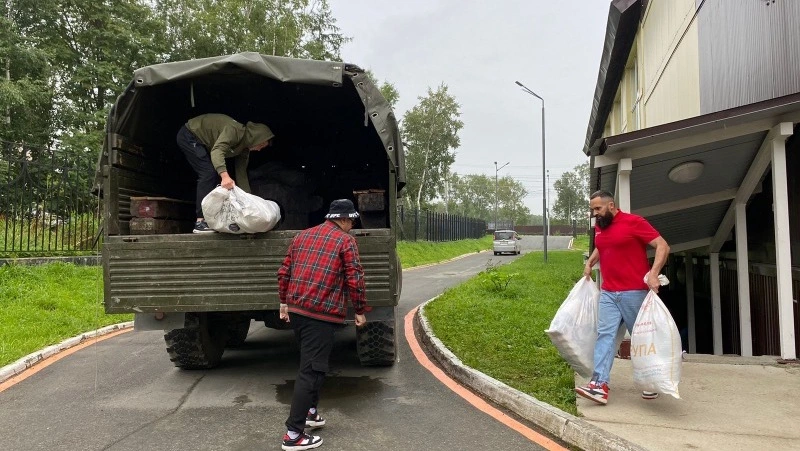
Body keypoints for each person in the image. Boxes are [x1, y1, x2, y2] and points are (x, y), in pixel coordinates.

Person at [277, 199, 367, 451]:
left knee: (315, 365)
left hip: (298, 312)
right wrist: (359, 310)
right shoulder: (345, 240)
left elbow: (284, 272)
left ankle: (310, 412)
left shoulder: (302, 236)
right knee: (311, 370)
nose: (352, 225)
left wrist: (284, 302)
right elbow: (355, 277)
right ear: (345, 219)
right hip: (321, 314)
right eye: (352, 221)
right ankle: (293, 435)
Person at [575, 190, 670, 405]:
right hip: (609, 292)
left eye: (597, 208)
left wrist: (653, 273)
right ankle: (599, 385)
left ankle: (650, 382)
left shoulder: (634, 222)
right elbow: (602, 246)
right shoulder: (601, 225)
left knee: (642, 339)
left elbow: (662, 245)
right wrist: (590, 262)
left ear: (611, 206)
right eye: (592, 209)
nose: (594, 213)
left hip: (634, 292)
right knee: (605, 336)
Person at [175, 113, 274, 233]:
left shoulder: (244, 150)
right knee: (208, 173)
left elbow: (241, 174)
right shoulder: (235, 131)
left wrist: (249, 200)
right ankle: (201, 222)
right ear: (255, 137)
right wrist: (225, 176)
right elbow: (217, 151)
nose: (259, 149)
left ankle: (213, 219)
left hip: (203, 143)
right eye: (261, 145)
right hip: (190, 135)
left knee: (217, 177)